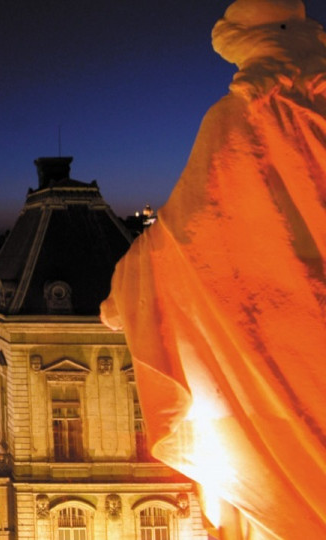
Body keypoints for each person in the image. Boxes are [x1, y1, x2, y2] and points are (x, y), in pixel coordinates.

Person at [102, 0, 326, 537]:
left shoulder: (243, 115)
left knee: (277, 492)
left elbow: (187, 236)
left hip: (274, 359)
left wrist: (122, 295)